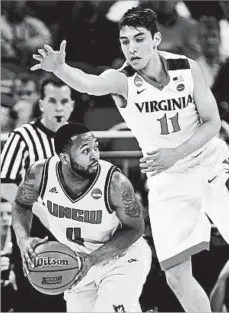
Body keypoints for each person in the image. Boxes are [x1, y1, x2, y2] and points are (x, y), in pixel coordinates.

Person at [31, 6, 229, 312]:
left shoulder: (186, 67)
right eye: (125, 41)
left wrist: (174, 153)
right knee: (176, 278)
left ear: (156, 39)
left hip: (210, 163)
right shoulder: (121, 79)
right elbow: (88, 83)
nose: (132, 48)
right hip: (168, 180)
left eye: (139, 39)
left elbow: (213, 122)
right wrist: (60, 69)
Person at [11, 122, 152, 313]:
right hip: (77, 263)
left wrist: (93, 259)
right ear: (65, 158)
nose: (95, 155)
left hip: (121, 257)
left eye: (96, 147)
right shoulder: (40, 173)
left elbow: (135, 228)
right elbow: (21, 204)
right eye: (86, 150)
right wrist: (23, 239)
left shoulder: (115, 183)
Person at [1, 77, 74, 312]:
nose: (59, 107)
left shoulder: (79, 139)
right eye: (52, 101)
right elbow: (4, 183)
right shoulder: (21, 137)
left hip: (73, 230)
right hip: (34, 231)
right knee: (34, 303)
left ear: (72, 104)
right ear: (41, 104)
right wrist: (40, 208)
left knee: (71, 301)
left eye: (64, 101)